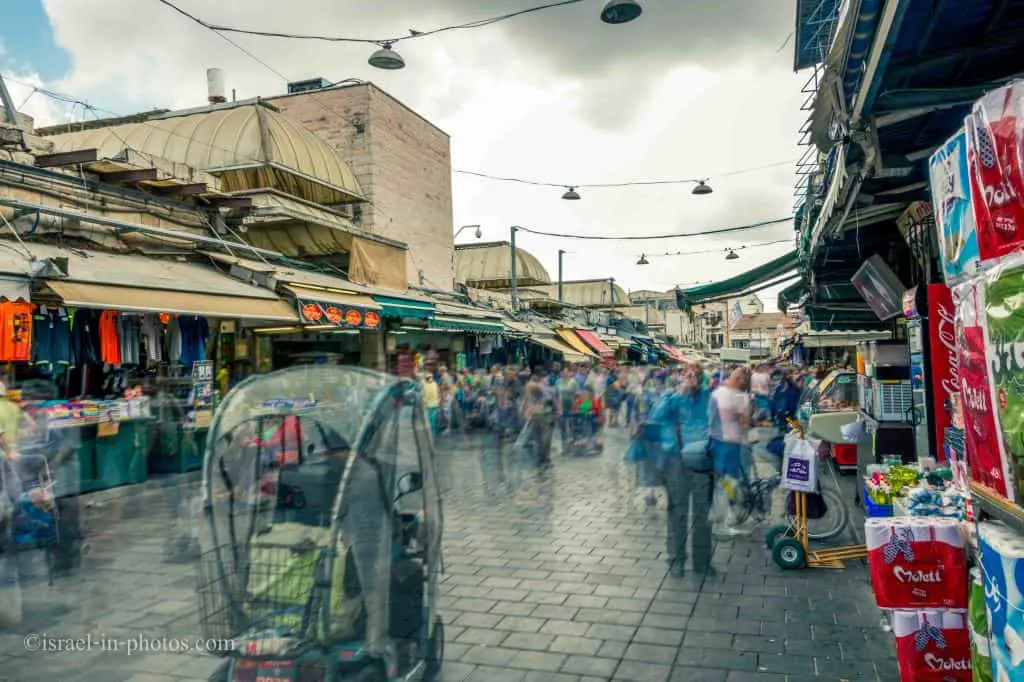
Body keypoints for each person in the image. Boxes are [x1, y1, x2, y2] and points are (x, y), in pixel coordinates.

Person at [661, 365, 713, 577]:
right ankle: (676, 561)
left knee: (703, 514)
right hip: (676, 463)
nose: (692, 379)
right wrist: (680, 392)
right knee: (677, 513)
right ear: (682, 377)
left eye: (696, 376)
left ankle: (702, 563)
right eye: (688, 376)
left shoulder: (709, 397)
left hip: (701, 462)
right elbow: (657, 415)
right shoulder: (671, 396)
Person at [708, 367, 752, 536]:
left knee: (723, 480)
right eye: (744, 381)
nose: (745, 385)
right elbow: (744, 424)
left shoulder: (716, 393)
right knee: (730, 481)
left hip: (717, 443)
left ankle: (724, 514)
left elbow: (710, 420)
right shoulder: (739, 397)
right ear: (740, 379)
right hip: (731, 445)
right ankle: (726, 518)